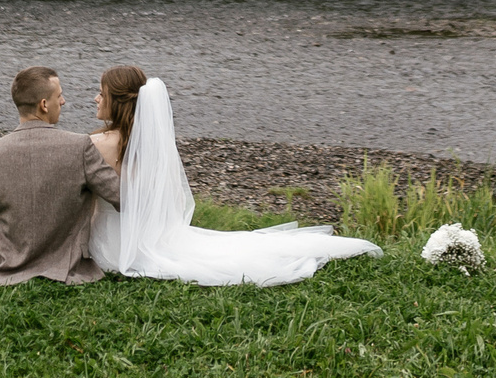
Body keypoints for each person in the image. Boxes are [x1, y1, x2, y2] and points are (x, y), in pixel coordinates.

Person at [87, 65, 382, 286]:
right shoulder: (152, 144)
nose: (96, 98)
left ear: (118, 100)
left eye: (102, 93)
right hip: (151, 234)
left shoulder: (96, 144)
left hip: (114, 241)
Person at [0, 65, 123, 285]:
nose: (63, 101)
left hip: (8, 259)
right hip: (65, 263)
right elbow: (120, 196)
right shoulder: (79, 146)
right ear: (44, 105)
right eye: (60, 95)